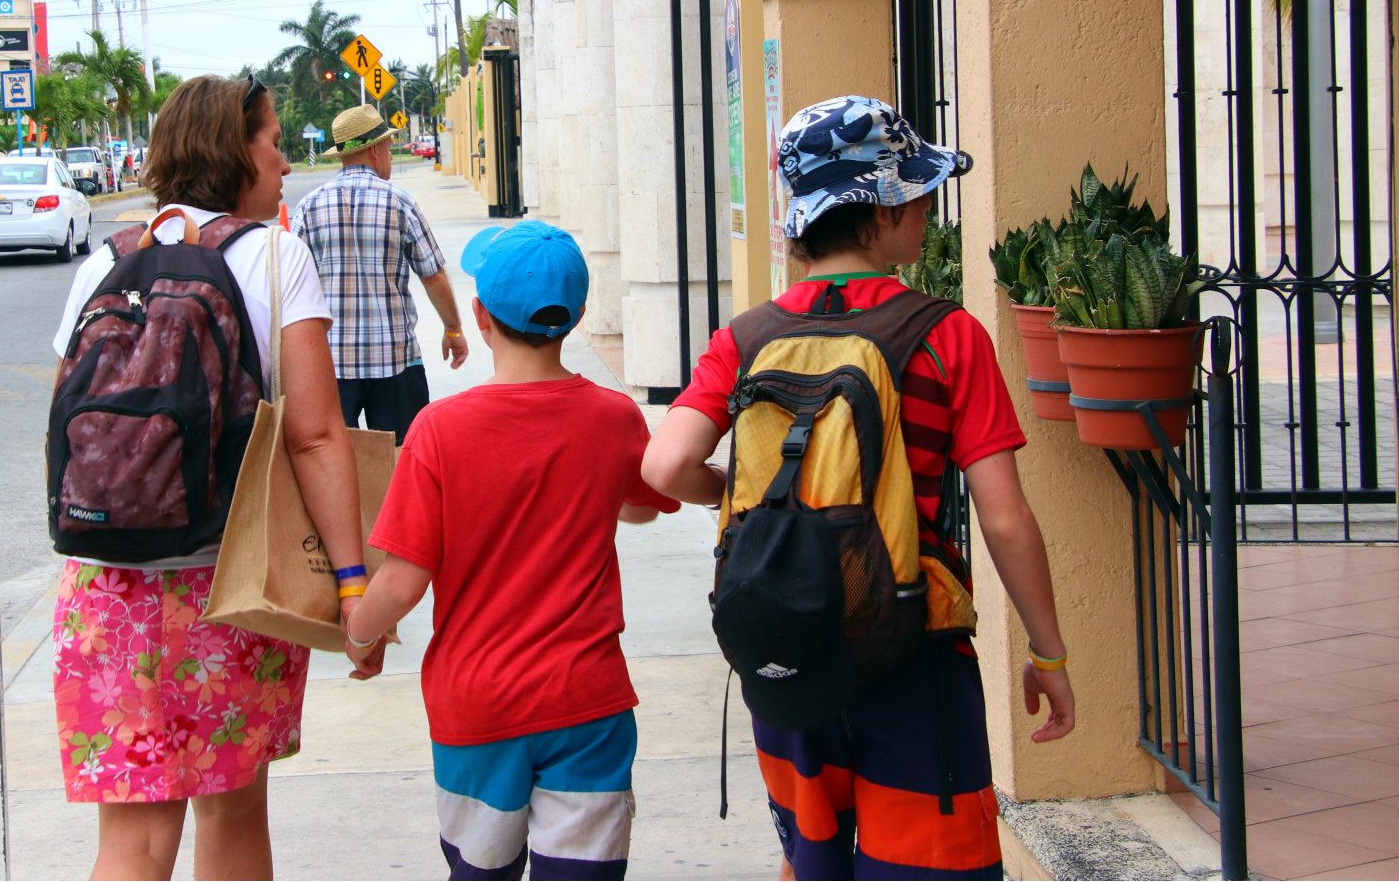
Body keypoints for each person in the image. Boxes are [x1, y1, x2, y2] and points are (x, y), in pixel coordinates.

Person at [640, 96, 1074, 881]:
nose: (927, 208)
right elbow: (1005, 517)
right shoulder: (947, 335)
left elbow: (662, 467)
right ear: (874, 215)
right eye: (914, 193)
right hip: (912, 656)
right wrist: (1048, 650)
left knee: (812, 864)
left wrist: (741, 497)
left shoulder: (745, 337)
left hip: (787, 655)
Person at [48, 74, 378, 881]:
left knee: (129, 841)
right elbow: (315, 435)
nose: (282, 164)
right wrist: (350, 580)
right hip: (228, 587)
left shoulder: (105, 259)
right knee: (232, 815)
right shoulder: (272, 254)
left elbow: (69, 414)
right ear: (236, 150)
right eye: (272, 142)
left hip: (104, 587)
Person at [349, 221, 680, 881]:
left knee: (480, 872)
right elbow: (641, 505)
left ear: (480, 315)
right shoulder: (613, 417)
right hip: (589, 700)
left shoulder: (439, 431)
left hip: (478, 707)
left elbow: (405, 579)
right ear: (579, 315)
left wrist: (360, 632)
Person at [291, 103, 467, 444]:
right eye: (387, 147)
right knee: (403, 463)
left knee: (338, 465)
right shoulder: (399, 202)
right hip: (395, 361)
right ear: (373, 150)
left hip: (331, 366)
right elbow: (433, 276)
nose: (388, 154)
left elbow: (292, 287)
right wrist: (454, 330)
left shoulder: (309, 207)